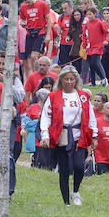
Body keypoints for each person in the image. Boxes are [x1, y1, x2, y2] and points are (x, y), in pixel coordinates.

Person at [40, 67, 97, 206]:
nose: (69, 82)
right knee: (64, 169)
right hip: (61, 135)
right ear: (61, 80)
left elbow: (91, 116)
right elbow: (46, 117)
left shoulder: (83, 96)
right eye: (66, 79)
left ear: (76, 80)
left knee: (78, 166)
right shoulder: (53, 96)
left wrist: (94, 134)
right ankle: (66, 201)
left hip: (79, 135)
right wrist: (45, 134)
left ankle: (76, 191)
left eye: (72, 79)